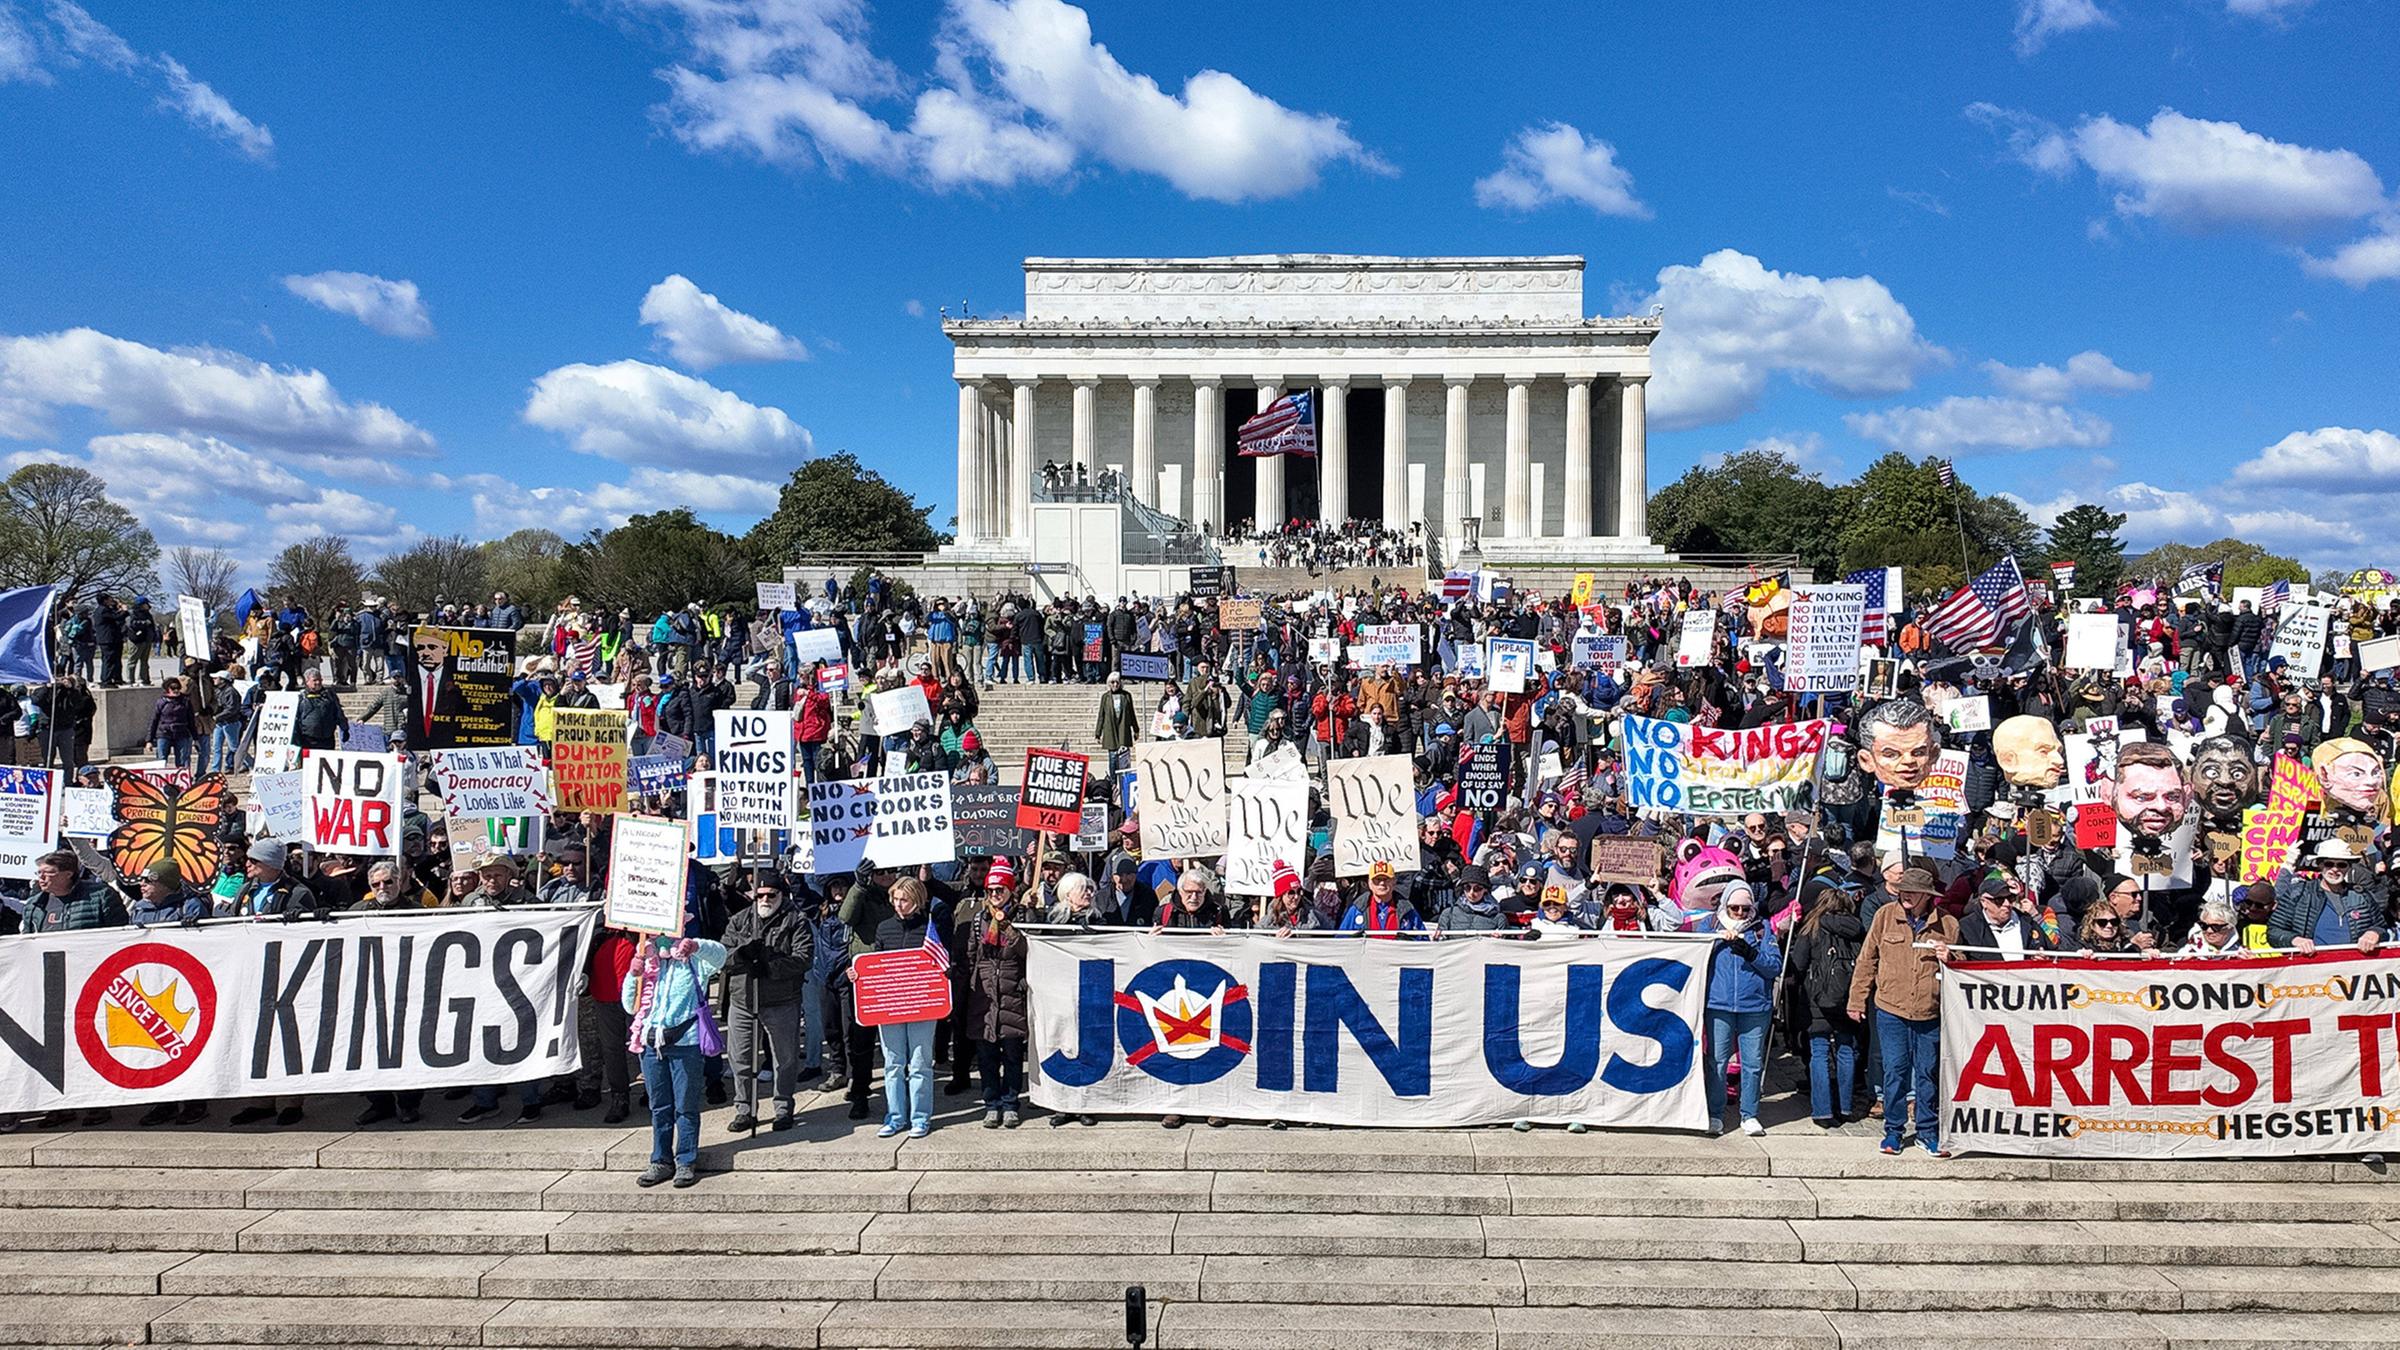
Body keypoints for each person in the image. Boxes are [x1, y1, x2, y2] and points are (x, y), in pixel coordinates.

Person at [1849, 865, 1957, 1157]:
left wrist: (1951, 956)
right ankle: (1893, 1131)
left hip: (1930, 1012)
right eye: (1903, 890)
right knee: (1895, 1070)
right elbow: (1867, 959)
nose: (1905, 895)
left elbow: (1962, 967)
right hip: (1891, 1008)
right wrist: (1857, 1000)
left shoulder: (1947, 924)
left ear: (1926, 895)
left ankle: (1927, 1131)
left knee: (1928, 1073)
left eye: (1912, 891)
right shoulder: (1885, 916)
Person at [624, 928, 726, 1188]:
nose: (661, 937)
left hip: (685, 1042)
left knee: (686, 1106)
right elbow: (629, 1005)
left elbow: (721, 955)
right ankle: (660, 1160)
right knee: (659, 1106)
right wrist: (633, 974)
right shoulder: (647, 961)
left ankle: (685, 1160)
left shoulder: (693, 960)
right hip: (651, 1042)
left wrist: (696, 945)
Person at [720, 873, 813, 1133]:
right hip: (743, 999)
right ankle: (745, 1110)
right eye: (759, 895)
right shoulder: (740, 920)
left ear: (781, 895)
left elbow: (804, 957)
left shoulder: (796, 920)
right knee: (740, 1059)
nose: (764, 899)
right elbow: (721, 955)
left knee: (784, 1058)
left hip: (781, 1000)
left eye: (771, 895)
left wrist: (770, 966)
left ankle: (783, 1106)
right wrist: (742, 956)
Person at [1697, 880, 1782, 1137]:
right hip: (1718, 1003)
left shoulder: (1761, 928)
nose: (1741, 914)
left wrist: (1750, 953)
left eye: (1746, 909)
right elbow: (1696, 956)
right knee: (1717, 1062)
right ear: (1725, 906)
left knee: (1753, 1063)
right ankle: (1715, 1112)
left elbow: (1774, 966)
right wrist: (1714, 943)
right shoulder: (1709, 925)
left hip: (1755, 1006)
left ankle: (1750, 1114)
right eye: (1735, 908)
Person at [1785, 882, 1866, 1130]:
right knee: (1846, 1051)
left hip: (1817, 998)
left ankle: (1822, 1111)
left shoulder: (1812, 928)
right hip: (1847, 997)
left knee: (1819, 1052)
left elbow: (1797, 965)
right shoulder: (1857, 929)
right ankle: (1845, 1108)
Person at [962, 857, 1031, 1128]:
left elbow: (1026, 951)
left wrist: (1009, 929)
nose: (994, 895)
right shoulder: (979, 919)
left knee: (1013, 1056)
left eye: (999, 890)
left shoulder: (1023, 916)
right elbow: (970, 956)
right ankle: (991, 1104)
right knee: (987, 1057)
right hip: (985, 996)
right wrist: (970, 987)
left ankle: (1011, 1102)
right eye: (991, 891)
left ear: (1010, 890)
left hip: (1012, 994)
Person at [872, 875, 943, 1139]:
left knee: (920, 1063)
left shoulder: (929, 928)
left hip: (922, 1005)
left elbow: (940, 963)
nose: (899, 904)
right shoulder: (883, 928)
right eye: (896, 899)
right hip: (890, 1004)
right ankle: (895, 1116)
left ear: (918, 900)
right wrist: (859, 975)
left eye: (905, 899)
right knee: (892, 1062)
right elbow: (875, 965)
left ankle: (920, 1117)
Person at [2268, 837, 2387, 955]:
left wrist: (2374, 933)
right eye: (2329, 864)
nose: (2335, 869)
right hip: (2310, 969)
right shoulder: (2299, 894)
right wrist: (2294, 940)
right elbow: (2274, 931)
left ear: (2349, 867)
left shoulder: (2362, 896)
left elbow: (2381, 927)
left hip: (2353, 968)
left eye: (2341, 865)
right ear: (2320, 865)